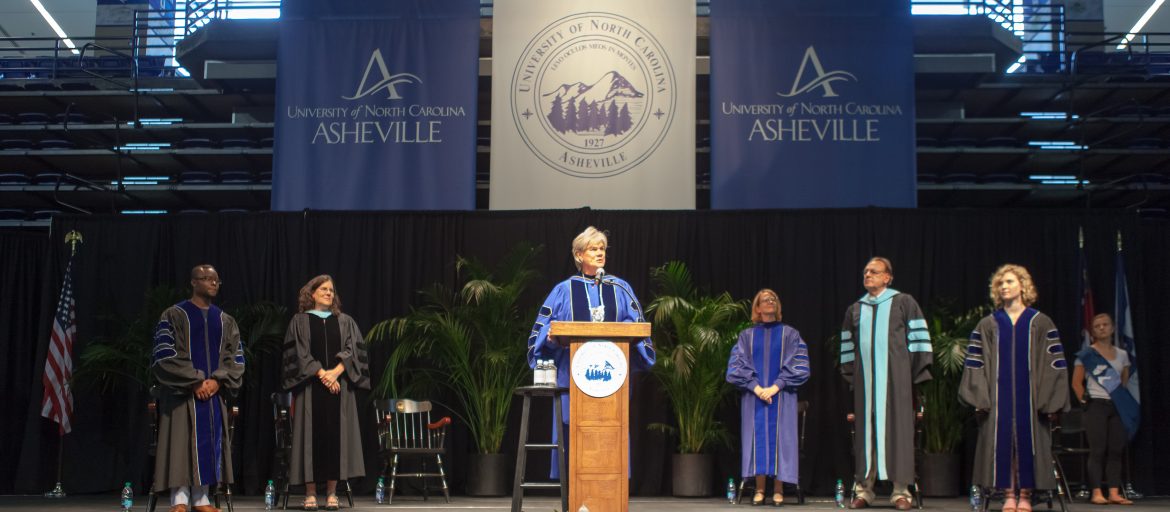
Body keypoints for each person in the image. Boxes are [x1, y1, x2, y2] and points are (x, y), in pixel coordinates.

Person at [526, 226, 656, 477]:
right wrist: (554, 340)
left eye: (602, 249)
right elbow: (544, 332)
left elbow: (638, 326)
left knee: (611, 431)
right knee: (573, 433)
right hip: (573, 379)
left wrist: (623, 331)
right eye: (593, 249)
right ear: (578, 255)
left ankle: (609, 494)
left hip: (612, 380)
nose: (600, 253)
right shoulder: (564, 290)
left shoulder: (620, 288)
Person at [959, 264, 1069, 512]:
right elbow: (975, 363)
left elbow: (1055, 363)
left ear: (1023, 285)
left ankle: (1027, 495)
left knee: (1026, 446)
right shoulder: (988, 324)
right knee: (1004, 446)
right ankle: (1008, 494)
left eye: (1009, 282)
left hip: (1032, 400)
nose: (1004, 286)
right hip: (998, 400)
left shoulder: (1040, 322)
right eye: (1001, 283)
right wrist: (980, 396)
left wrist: (1049, 400)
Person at [839, 257, 931, 510]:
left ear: (887, 277)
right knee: (865, 436)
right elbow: (847, 347)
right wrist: (853, 376)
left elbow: (919, 341)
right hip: (866, 384)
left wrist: (907, 375)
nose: (867, 275)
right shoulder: (855, 308)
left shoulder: (903, 302)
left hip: (897, 383)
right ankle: (864, 491)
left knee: (899, 433)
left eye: (874, 271)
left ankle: (901, 492)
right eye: (865, 271)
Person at [151, 265, 245, 512]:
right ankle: (179, 500)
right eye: (206, 279)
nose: (212, 283)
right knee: (181, 443)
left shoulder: (226, 321)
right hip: (182, 394)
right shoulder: (174, 315)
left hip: (213, 394)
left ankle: (201, 499)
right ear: (193, 282)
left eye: (216, 279)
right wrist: (193, 381)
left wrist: (217, 380)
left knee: (209, 443)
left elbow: (235, 358)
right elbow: (164, 355)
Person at [282, 275, 370, 511]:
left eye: (331, 290)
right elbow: (298, 354)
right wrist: (323, 374)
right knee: (309, 439)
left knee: (336, 438)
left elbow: (354, 350)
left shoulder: (346, 321)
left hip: (339, 391)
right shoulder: (299, 321)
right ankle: (310, 494)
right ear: (312, 293)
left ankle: (332, 493)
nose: (329, 293)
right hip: (310, 389)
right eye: (323, 289)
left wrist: (337, 371)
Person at [726, 289, 810, 506]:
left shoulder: (790, 335)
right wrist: (756, 388)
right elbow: (736, 367)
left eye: (774, 299)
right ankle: (760, 489)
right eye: (765, 300)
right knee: (758, 440)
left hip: (782, 397)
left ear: (778, 307)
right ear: (757, 308)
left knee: (782, 440)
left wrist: (774, 387)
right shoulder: (746, 336)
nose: (770, 302)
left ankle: (779, 490)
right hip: (754, 398)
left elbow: (799, 366)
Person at [1072, 313, 1138, 505]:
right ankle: (1097, 492)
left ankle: (1114, 492)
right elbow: (1076, 383)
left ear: (1112, 328)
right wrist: (1085, 403)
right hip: (1095, 406)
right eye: (1097, 326)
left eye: (1105, 325)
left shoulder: (1123, 355)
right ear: (1092, 331)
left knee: (1116, 450)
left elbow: (1123, 383)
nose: (1101, 328)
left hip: (1116, 407)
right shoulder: (1086, 355)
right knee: (1098, 450)